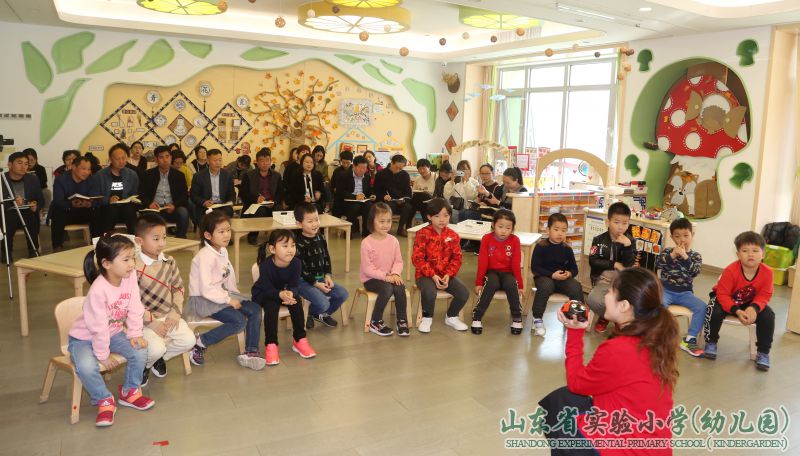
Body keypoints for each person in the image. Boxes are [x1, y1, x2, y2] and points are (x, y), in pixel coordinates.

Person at [540, 267, 677, 455]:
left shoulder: (620, 349)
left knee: (558, 411)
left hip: (625, 449)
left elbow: (576, 382)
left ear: (624, 305)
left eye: (610, 291)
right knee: (564, 398)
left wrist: (574, 332)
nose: (605, 296)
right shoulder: (655, 339)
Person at [68, 235, 154, 427]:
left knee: (140, 350)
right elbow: (98, 327)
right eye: (126, 259)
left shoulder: (129, 276)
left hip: (113, 333)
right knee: (86, 366)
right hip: (83, 338)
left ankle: (130, 391)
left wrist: (135, 334)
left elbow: (135, 306)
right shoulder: (98, 290)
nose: (132, 264)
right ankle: (104, 399)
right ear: (106, 264)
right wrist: (103, 354)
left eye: (133, 258)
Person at [184, 211, 265, 370]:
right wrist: (228, 300)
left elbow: (228, 275)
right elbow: (206, 289)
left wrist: (234, 295)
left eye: (228, 230)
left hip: (221, 295)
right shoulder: (205, 256)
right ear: (208, 235)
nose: (227, 234)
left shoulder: (222, 250)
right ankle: (200, 342)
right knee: (239, 321)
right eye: (221, 231)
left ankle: (251, 352)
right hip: (204, 299)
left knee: (255, 309)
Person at [134, 214, 195, 386]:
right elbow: (131, 302)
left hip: (168, 316)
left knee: (189, 341)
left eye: (164, 237)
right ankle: (145, 365)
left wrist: (175, 314)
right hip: (144, 321)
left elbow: (178, 288)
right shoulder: (133, 267)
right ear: (139, 241)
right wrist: (152, 322)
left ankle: (156, 360)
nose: (161, 243)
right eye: (156, 238)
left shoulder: (169, 261)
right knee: (156, 348)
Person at [703, 231, 775, 371]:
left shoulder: (768, 272)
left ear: (763, 254)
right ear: (738, 254)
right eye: (745, 251)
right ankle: (711, 341)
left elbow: (765, 295)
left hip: (749, 303)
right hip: (725, 299)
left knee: (768, 315)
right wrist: (736, 310)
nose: (750, 254)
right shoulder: (731, 270)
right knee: (713, 310)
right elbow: (722, 294)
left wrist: (754, 308)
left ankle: (763, 352)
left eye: (755, 250)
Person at [252, 229, 316, 365]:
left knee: (296, 302)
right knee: (271, 306)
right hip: (265, 294)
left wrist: (291, 293)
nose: (290, 250)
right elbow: (267, 289)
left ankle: (299, 339)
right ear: (272, 249)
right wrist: (280, 294)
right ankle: (271, 344)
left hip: (284, 292)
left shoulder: (296, 263)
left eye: (293, 245)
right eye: (285, 246)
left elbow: (294, 284)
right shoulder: (266, 266)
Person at [412, 198, 470, 333]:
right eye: (437, 216)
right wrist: (432, 275)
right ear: (429, 217)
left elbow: (457, 258)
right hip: (425, 275)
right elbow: (417, 259)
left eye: (446, 215)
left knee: (463, 292)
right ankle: (427, 318)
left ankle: (451, 317)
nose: (442, 219)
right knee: (429, 292)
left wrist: (449, 275)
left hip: (445, 275)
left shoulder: (453, 235)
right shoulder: (422, 234)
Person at [655, 217, 706, 357]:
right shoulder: (667, 252)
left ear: (692, 235)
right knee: (659, 304)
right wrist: (673, 255)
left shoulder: (695, 256)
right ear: (672, 237)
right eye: (677, 236)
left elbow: (694, 272)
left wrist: (685, 256)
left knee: (702, 307)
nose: (682, 239)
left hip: (685, 293)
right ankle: (659, 334)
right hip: (666, 290)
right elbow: (658, 265)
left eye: (685, 235)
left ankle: (690, 339)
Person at [294, 203, 349, 328]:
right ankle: (309, 313)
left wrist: (328, 276)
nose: (315, 224)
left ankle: (318, 314)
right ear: (299, 224)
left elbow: (326, 258)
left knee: (343, 294)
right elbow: (301, 269)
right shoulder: (297, 243)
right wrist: (316, 284)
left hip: (320, 278)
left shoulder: (321, 237)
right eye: (310, 221)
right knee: (323, 303)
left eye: (316, 219)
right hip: (303, 282)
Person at [471, 209, 525, 335]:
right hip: (491, 272)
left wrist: (520, 285)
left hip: (508, 273)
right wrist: (478, 282)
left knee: (511, 284)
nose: (504, 231)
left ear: (512, 228)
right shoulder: (486, 239)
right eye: (500, 227)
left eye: (508, 228)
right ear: (493, 225)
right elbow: (483, 262)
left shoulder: (515, 240)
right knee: (491, 283)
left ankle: (517, 318)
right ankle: (477, 317)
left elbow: (516, 264)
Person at [530, 213, 584, 337]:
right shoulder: (540, 246)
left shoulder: (567, 248)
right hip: (544, 277)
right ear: (548, 230)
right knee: (546, 286)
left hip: (562, 279)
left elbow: (574, 269)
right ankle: (537, 319)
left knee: (576, 287)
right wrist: (552, 275)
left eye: (564, 230)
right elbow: (535, 268)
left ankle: (576, 318)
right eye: (556, 229)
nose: (560, 233)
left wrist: (569, 273)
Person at [360, 203, 409, 337]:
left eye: (388, 221)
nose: (386, 225)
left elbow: (398, 261)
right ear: (372, 221)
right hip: (371, 279)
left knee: (399, 286)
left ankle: (402, 320)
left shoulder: (394, 241)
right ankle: (375, 321)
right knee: (387, 288)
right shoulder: (366, 243)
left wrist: (395, 274)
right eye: (381, 221)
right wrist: (385, 276)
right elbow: (367, 269)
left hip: (390, 276)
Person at [587, 202, 635, 333]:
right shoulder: (598, 240)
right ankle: (607, 317)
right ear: (607, 222)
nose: (620, 227)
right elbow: (593, 261)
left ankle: (618, 319)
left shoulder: (630, 241)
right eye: (616, 222)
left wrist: (627, 247)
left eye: (624, 223)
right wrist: (613, 264)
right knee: (593, 299)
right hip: (603, 280)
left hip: (622, 282)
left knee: (634, 301)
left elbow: (629, 264)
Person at [139, 145, 190, 238]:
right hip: (154, 208)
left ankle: (181, 237)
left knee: (183, 212)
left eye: (167, 156)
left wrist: (174, 205)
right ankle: (154, 240)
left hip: (172, 209)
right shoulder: (147, 174)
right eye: (161, 157)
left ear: (171, 158)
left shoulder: (179, 175)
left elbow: (184, 196)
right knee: (149, 217)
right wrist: (149, 204)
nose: (165, 160)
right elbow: (141, 194)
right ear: (156, 159)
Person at [90, 143, 140, 235]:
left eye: (123, 158)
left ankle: (134, 239)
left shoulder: (132, 174)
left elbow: (135, 194)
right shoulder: (100, 175)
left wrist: (129, 199)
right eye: (117, 159)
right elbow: (94, 197)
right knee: (110, 210)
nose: (121, 161)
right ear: (110, 159)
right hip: (107, 208)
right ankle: (106, 239)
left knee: (130, 210)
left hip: (126, 208)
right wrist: (108, 200)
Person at [2, 151, 43, 260]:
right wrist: (12, 202)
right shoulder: (2, 180)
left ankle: (33, 250)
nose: (23, 167)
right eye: (19, 163)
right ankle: (6, 252)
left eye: (26, 164)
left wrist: (35, 205)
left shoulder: (32, 179)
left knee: (31, 217)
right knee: (10, 217)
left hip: (26, 211)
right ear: (10, 165)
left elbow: (40, 200)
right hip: (7, 213)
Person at [50, 156, 95, 251]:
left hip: (83, 211)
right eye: (83, 169)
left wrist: (89, 203)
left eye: (88, 169)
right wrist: (71, 204)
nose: (86, 172)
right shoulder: (61, 179)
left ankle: (96, 243)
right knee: (57, 211)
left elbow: (94, 197)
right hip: (66, 212)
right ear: (74, 167)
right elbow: (58, 201)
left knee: (98, 211)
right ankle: (57, 246)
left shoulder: (91, 179)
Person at [240, 147, 283, 245]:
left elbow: (280, 193)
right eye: (262, 160)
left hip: (271, 204)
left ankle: (277, 236)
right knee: (260, 210)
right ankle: (253, 235)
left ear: (270, 161)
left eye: (267, 160)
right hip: (254, 204)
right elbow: (243, 194)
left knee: (280, 209)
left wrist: (274, 202)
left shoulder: (277, 175)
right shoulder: (248, 175)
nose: (265, 163)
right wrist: (256, 199)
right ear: (257, 162)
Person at [331, 154, 372, 237]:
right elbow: (340, 192)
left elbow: (368, 190)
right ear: (353, 166)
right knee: (355, 206)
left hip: (362, 201)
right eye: (360, 168)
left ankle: (366, 232)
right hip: (345, 202)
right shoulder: (343, 175)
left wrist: (372, 195)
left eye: (364, 168)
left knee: (369, 205)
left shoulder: (367, 176)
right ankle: (348, 232)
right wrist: (355, 197)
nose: (362, 170)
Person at [373, 154, 414, 236]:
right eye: (396, 167)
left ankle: (401, 229)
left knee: (408, 207)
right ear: (391, 163)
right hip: (386, 201)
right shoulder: (381, 174)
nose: (398, 170)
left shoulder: (405, 175)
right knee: (390, 206)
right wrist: (383, 196)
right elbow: (375, 191)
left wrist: (404, 199)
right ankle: (386, 228)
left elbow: (408, 192)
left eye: (401, 168)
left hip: (401, 201)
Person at [190, 148, 235, 221]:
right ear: (208, 161)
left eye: (220, 160)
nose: (218, 163)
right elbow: (194, 195)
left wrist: (230, 201)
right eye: (215, 160)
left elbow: (232, 193)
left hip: (222, 206)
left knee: (228, 211)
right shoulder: (198, 176)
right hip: (206, 207)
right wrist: (204, 202)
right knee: (206, 216)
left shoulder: (227, 175)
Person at [410, 158, 435, 223]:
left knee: (423, 198)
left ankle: (409, 224)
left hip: (432, 201)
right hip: (420, 202)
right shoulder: (417, 179)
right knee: (414, 201)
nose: (422, 171)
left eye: (423, 168)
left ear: (429, 167)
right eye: (419, 169)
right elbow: (414, 192)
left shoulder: (436, 177)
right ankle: (426, 223)